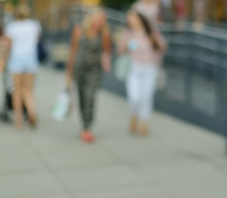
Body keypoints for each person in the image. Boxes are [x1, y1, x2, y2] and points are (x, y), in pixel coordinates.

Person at [117, 10, 167, 136]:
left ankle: (144, 122)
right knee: (135, 96)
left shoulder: (152, 33)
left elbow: (163, 47)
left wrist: (154, 43)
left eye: (133, 18)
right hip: (135, 68)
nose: (131, 21)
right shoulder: (129, 34)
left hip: (150, 68)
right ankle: (133, 115)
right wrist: (126, 45)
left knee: (146, 96)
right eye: (129, 19)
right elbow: (120, 50)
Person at [65, 8, 112, 143]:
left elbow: (107, 52)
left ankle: (88, 127)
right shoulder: (79, 30)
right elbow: (73, 51)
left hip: (94, 69)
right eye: (97, 19)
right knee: (82, 97)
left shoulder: (104, 34)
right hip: (79, 68)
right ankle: (84, 124)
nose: (99, 23)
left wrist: (106, 61)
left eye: (102, 20)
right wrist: (68, 73)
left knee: (90, 96)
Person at [3, 5, 42, 129]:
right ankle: (31, 111)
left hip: (16, 60)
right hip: (31, 59)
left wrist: (4, 60)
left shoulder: (12, 27)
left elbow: (8, 46)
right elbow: (37, 40)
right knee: (28, 90)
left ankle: (18, 120)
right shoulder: (34, 25)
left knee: (17, 91)